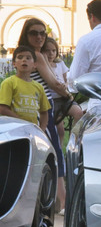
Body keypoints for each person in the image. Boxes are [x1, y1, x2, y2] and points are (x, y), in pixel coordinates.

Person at [18, 18, 71, 213]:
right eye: (34, 33)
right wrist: (69, 96)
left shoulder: (28, 54)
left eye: (43, 33)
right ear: (26, 34)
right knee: (55, 152)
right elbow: (54, 83)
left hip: (29, 107)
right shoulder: (36, 56)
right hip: (42, 108)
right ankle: (62, 202)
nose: (39, 36)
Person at [0, 46, 50, 131]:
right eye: (20, 57)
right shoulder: (9, 83)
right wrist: (22, 123)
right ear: (14, 63)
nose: (24, 60)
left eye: (28, 58)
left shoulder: (39, 87)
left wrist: (41, 130)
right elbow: (3, 108)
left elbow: (44, 112)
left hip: (32, 131)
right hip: (13, 130)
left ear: (34, 64)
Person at [43, 37, 83, 140]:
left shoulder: (60, 63)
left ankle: (73, 141)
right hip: (53, 99)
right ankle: (60, 151)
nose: (51, 53)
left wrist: (65, 84)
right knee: (59, 129)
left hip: (64, 97)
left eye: (53, 50)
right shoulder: (43, 66)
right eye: (47, 50)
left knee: (79, 112)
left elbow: (67, 79)